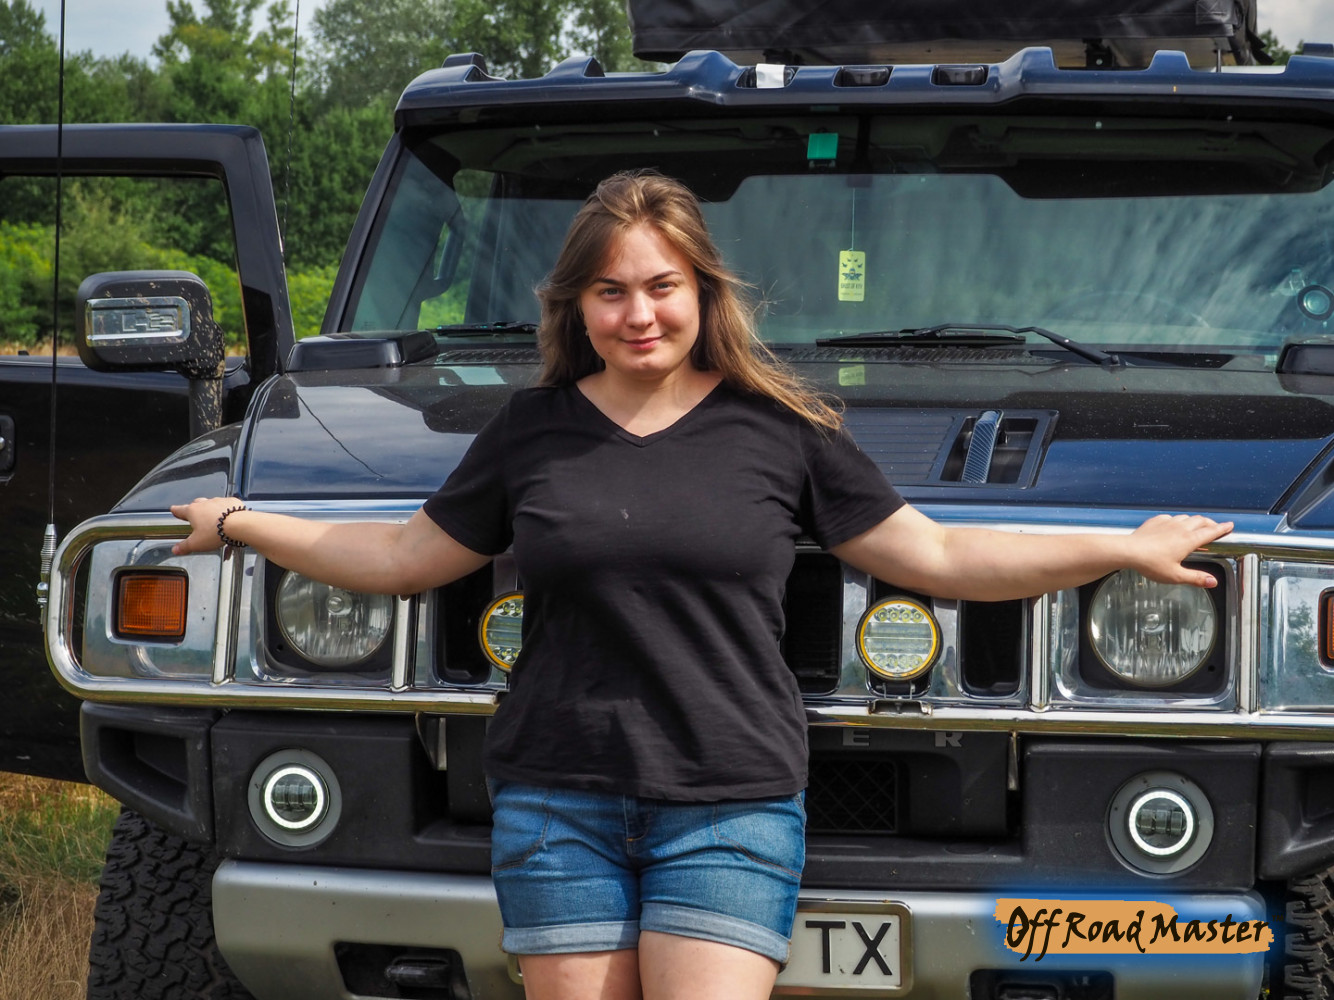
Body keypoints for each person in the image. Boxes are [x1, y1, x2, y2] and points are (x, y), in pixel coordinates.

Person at [170, 170, 1232, 1000]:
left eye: (661, 287)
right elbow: (402, 559)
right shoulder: (530, 430)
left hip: (729, 808)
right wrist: (241, 521)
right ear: (577, 305)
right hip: (557, 803)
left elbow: (941, 558)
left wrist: (1118, 547)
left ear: (701, 292)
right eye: (611, 290)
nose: (638, 313)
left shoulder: (781, 430)